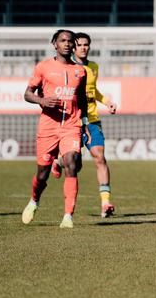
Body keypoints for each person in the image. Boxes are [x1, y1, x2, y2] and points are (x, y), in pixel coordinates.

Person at [21, 30, 89, 228]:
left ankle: (68, 216)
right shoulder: (43, 67)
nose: (67, 44)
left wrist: (84, 123)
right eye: (63, 41)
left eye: (70, 41)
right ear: (54, 44)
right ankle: (34, 200)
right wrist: (42, 100)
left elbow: (82, 99)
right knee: (42, 174)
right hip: (48, 126)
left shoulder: (80, 70)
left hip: (71, 125)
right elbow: (27, 94)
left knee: (72, 162)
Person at [65, 32, 118, 218]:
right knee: (74, 165)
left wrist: (106, 101)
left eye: (86, 44)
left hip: (93, 120)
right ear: (73, 47)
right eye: (80, 45)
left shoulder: (93, 67)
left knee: (100, 158)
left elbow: (93, 90)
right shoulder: (68, 68)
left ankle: (105, 203)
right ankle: (56, 161)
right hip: (73, 122)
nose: (83, 48)